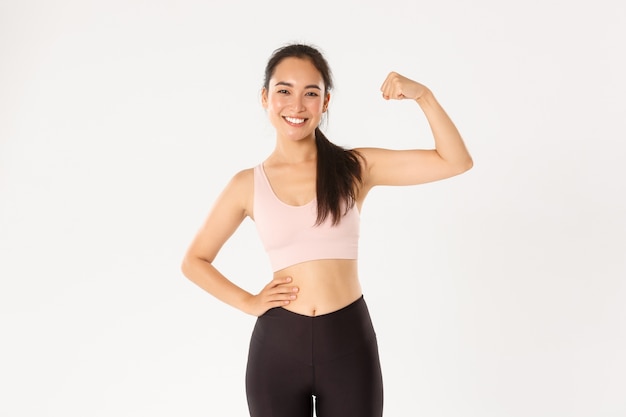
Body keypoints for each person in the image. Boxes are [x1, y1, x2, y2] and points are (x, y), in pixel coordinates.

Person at [181, 43, 472, 417]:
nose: (297, 106)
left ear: (326, 101)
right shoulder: (246, 185)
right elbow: (194, 261)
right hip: (277, 348)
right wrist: (248, 302)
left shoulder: (355, 168)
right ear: (265, 98)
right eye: (284, 91)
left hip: (348, 342)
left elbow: (456, 161)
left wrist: (424, 96)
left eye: (311, 93)